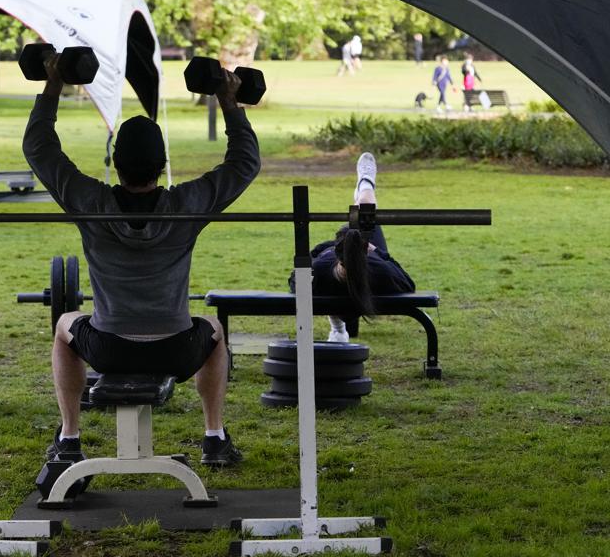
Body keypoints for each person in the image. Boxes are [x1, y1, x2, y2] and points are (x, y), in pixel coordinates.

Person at [22, 54, 260, 467]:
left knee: (64, 326)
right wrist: (228, 100)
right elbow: (244, 163)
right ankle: (214, 437)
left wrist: (54, 82)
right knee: (214, 330)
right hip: (177, 349)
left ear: (117, 164)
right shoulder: (186, 206)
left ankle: (69, 437)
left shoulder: (91, 203)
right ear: (162, 165)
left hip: (108, 347)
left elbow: (39, 147)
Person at [289, 153, 415, 343]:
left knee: (361, 215)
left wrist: (325, 250)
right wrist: (377, 252)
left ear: (337, 252)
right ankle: (365, 183)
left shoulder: (321, 267)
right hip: (360, 262)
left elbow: (295, 279)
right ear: (365, 249)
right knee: (366, 208)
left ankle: (338, 329)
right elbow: (407, 283)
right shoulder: (379, 270)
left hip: (337, 269)